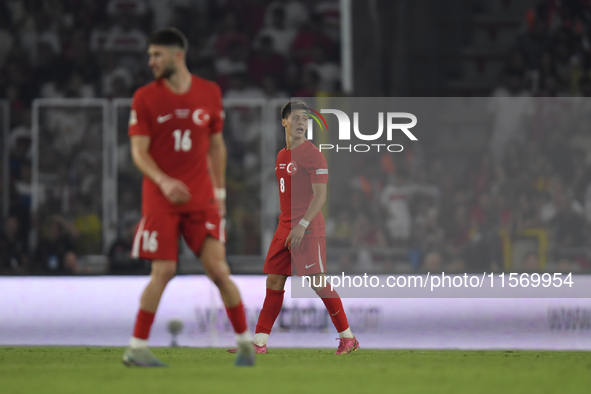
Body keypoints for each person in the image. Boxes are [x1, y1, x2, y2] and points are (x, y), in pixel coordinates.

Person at [122, 28, 254, 367]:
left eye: (157, 55)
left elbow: (217, 146)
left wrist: (220, 191)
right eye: (150, 55)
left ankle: (245, 346)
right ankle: (136, 348)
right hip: (161, 199)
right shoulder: (144, 97)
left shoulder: (210, 93)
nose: (150, 61)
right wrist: (163, 181)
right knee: (163, 271)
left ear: (177, 55)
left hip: (201, 198)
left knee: (219, 270)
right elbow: (138, 152)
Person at [229, 101, 359, 355]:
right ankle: (259, 342)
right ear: (284, 122)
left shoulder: (313, 154)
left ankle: (348, 337)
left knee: (317, 282)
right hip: (284, 225)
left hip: (306, 226)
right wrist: (290, 225)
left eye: (305, 119)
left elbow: (320, 195)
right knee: (274, 281)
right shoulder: (281, 156)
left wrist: (301, 225)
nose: (301, 122)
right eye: (296, 118)